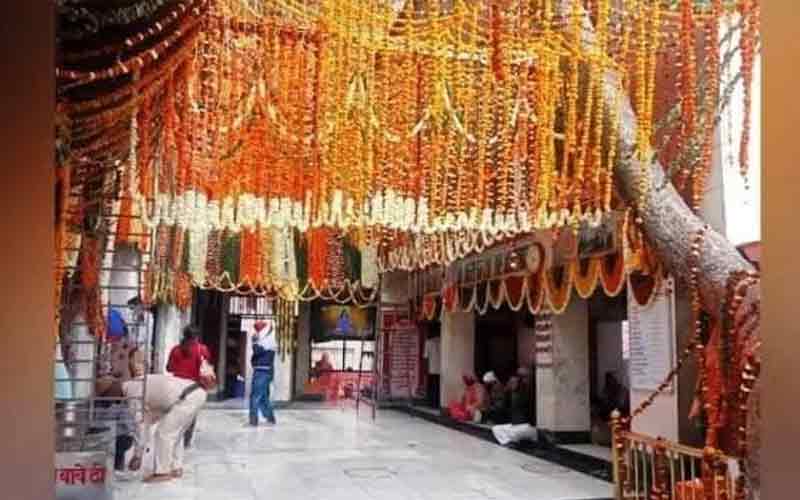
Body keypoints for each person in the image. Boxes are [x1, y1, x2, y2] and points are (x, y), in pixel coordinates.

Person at [123, 350, 207, 483]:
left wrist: (138, 455)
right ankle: (176, 467)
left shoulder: (132, 391)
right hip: (195, 392)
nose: (139, 365)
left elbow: (140, 426)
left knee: (164, 433)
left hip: (187, 396)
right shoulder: (142, 382)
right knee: (175, 433)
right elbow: (147, 421)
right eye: (136, 361)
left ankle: (162, 472)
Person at [166, 325, 211, 448]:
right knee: (190, 416)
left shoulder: (176, 349)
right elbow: (206, 368)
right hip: (193, 388)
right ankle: (186, 442)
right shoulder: (202, 349)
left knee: (175, 414)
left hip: (176, 387)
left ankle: (175, 440)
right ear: (196, 336)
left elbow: (169, 368)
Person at [491, 369, 538, 446]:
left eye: (513, 382)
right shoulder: (510, 395)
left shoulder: (525, 393)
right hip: (516, 427)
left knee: (514, 433)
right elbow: (502, 408)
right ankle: (509, 442)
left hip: (527, 426)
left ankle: (514, 440)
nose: (511, 384)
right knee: (495, 428)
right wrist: (506, 392)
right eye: (510, 383)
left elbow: (529, 412)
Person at [250, 320, 277, 426]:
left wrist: (254, 342)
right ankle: (270, 417)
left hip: (261, 371)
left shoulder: (266, 339)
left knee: (255, 396)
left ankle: (253, 421)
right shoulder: (269, 338)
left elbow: (257, 351)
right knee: (263, 397)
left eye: (257, 329)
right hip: (266, 371)